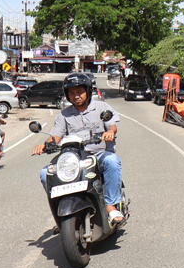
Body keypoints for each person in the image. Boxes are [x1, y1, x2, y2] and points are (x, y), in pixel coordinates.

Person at [33, 72, 123, 225]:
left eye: (80, 92)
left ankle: (110, 205)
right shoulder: (64, 115)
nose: (76, 96)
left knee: (112, 161)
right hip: (74, 159)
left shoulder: (101, 107)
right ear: (67, 95)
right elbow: (56, 136)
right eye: (72, 93)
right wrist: (44, 145)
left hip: (98, 154)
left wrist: (109, 132)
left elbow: (112, 125)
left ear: (87, 91)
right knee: (45, 173)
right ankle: (60, 216)